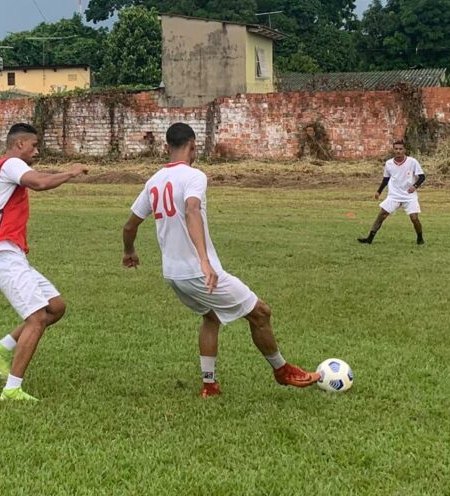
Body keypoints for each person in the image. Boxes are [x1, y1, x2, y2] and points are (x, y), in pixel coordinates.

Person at [122, 123, 319, 398]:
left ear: (167, 147)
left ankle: (210, 386)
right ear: (193, 146)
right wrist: (204, 262)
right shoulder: (194, 176)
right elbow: (192, 209)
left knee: (211, 317)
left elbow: (129, 227)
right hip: (197, 272)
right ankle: (282, 370)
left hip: (173, 274)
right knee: (261, 312)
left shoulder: (153, 181)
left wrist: (129, 252)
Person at [0, 122, 88, 402]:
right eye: (34, 145)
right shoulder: (11, 164)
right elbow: (39, 182)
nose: (36, 151)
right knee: (38, 317)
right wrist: (70, 172)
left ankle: (1, 349)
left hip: (11, 253)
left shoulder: (8, 167)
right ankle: (12, 389)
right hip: (1, 253)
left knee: (56, 307)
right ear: (19, 145)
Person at [358, 139, 425, 245]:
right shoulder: (389, 163)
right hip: (394, 195)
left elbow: (422, 177)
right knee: (382, 215)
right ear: (393, 150)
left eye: (400, 149)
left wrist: (415, 186)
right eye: (396, 149)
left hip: (409, 195)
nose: (398, 151)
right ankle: (369, 238)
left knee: (414, 218)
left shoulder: (412, 162)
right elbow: (386, 179)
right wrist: (379, 191)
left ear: (404, 150)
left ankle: (420, 238)